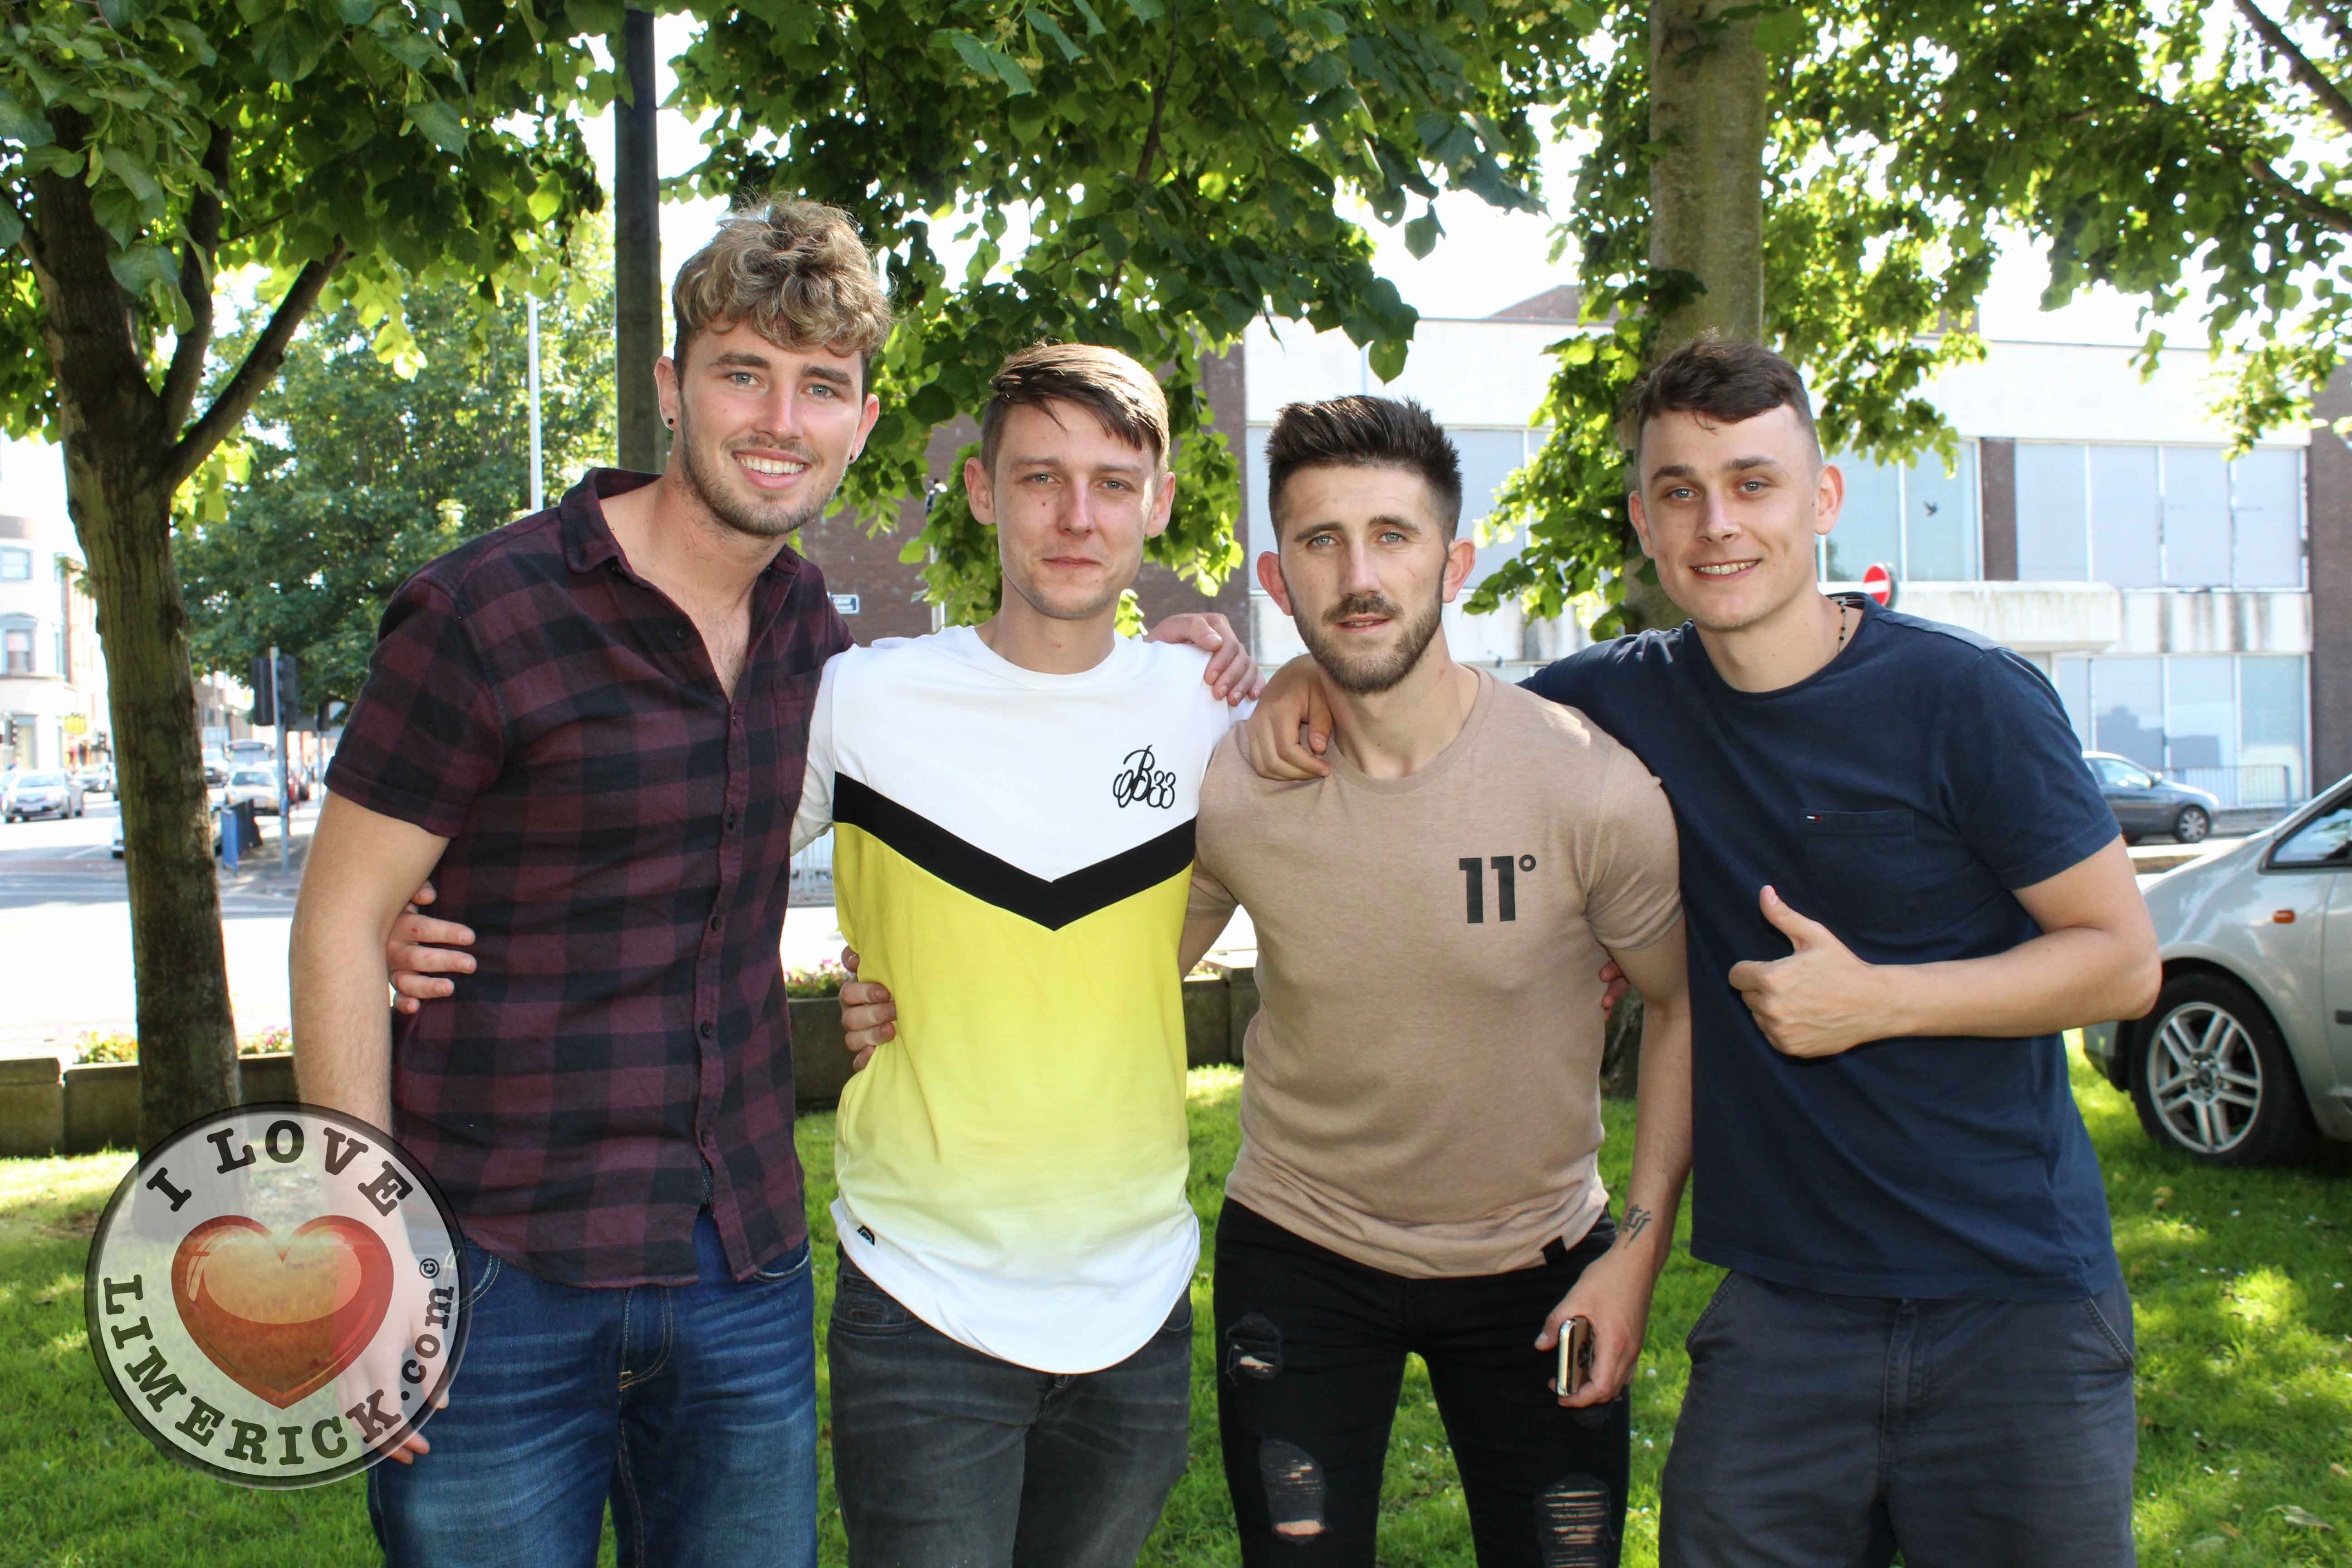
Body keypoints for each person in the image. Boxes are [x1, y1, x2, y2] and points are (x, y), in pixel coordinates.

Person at [302, 200, 1249, 1568]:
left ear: (862, 423)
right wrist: (365, 1244)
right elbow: (340, 918)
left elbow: (843, 843)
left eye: (821, 386)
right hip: (501, 1259)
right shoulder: (486, 610)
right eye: (744, 373)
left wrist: (902, 984)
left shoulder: (813, 637)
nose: (780, 420)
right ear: (672, 385)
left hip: (736, 1260)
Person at [1244, 338, 2161, 1568]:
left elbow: (2121, 963)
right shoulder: (1614, 709)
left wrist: (1879, 1002)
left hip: (2014, 1298)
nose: (1716, 524)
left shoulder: (1969, 700)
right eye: (1679, 490)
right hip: (1784, 1304)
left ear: (1822, 499)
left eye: (1753, 483)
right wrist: (1306, 676)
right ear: (1643, 521)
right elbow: (1432, 694)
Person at [848, 394, 1695, 1568]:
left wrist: (1636, 1251)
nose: (1360, 576)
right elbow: (1111, 950)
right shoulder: (1237, 777)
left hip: (1537, 1263)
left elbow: (1681, 1002)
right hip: (1301, 1258)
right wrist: (900, 980)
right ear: (1276, 576)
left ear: (1455, 562)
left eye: (1393, 537)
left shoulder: (1588, 788)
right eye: (1321, 541)